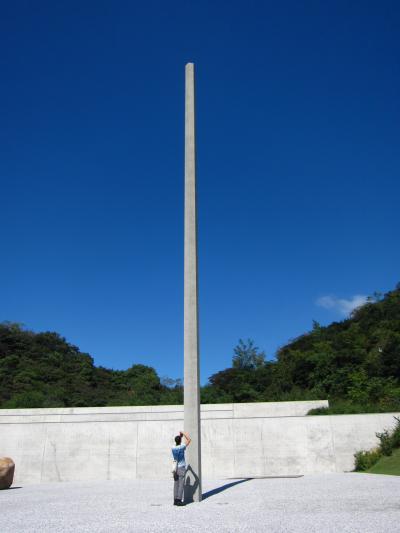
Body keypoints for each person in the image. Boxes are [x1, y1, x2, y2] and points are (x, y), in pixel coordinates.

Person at [172, 430, 191, 506]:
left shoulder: (173, 448)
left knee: (175, 484)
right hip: (181, 467)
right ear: (180, 441)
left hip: (175, 468)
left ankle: (175, 500)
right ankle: (179, 500)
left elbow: (176, 442)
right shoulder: (182, 446)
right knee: (181, 484)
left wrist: (179, 437)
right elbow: (189, 440)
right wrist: (183, 433)